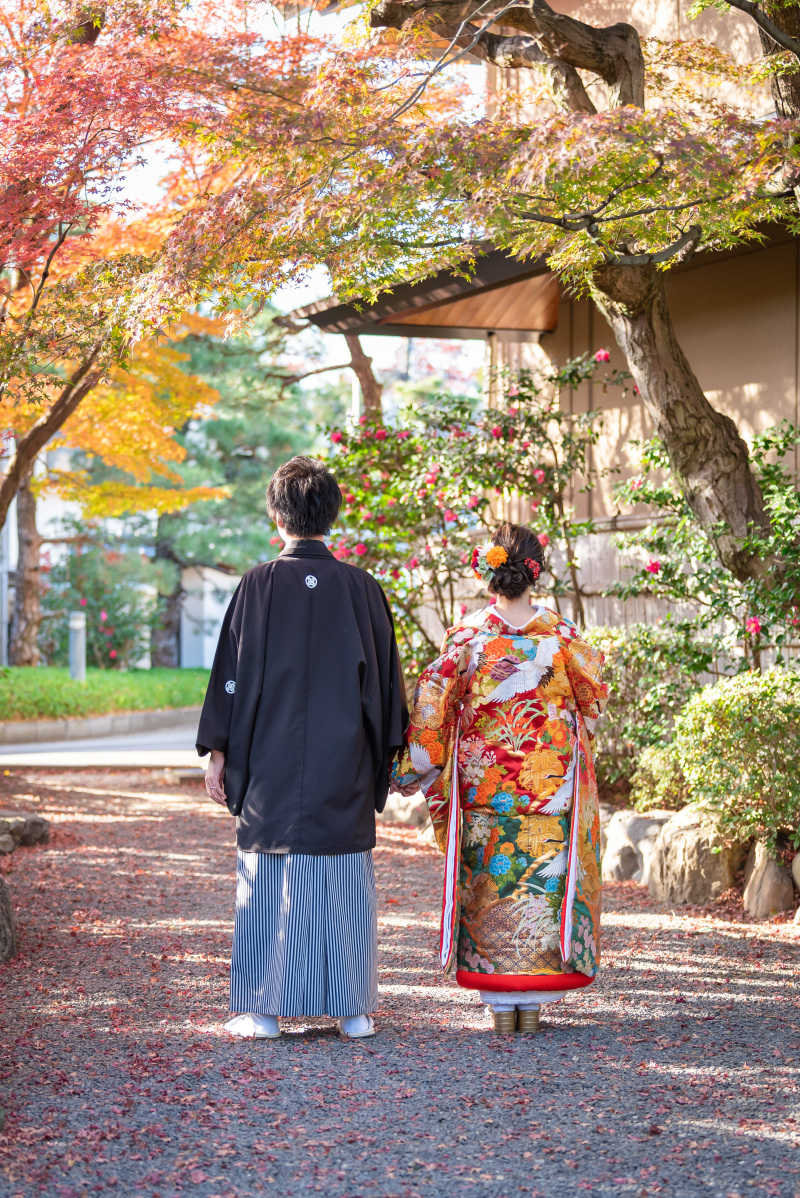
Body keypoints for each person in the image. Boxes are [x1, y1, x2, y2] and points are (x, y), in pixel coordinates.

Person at [197, 456, 408, 1041]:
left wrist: (219, 752)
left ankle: (263, 1010)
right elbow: (385, 687)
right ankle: (353, 1011)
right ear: (331, 514)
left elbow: (229, 678)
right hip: (342, 762)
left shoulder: (257, 585)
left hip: (268, 763)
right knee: (341, 878)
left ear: (276, 514)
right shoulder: (361, 588)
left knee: (266, 879)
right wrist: (386, 757)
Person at [392, 522, 607, 1034]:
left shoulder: (467, 637)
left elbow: (433, 710)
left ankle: (500, 1005)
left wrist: (413, 770)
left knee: (490, 883)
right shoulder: (563, 638)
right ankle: (533, 1005)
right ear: (536, 573)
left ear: (486, 574)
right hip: (550, 787)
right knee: (545, 882)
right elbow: (593, 703)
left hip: (483, 787)